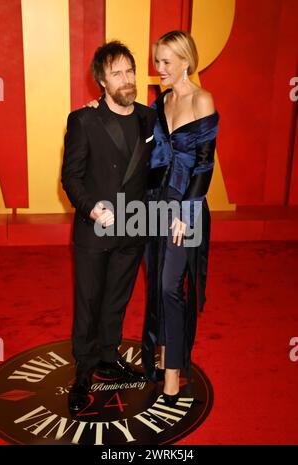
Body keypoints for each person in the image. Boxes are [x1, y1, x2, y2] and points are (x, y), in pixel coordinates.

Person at [61, 41, 156, 411]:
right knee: (88, 302)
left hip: (133, 229)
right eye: (117, 73)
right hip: (96, 229)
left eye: (130, 70)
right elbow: (71, 178)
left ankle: (107, 357)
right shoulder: (83, 119)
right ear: (101, 81)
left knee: (116, 300)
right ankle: (83, 373)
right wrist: (92, 210)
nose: (127, 78)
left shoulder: (149, 118)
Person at [141, 30, 219, 406]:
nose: (159, 69)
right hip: (155, 202)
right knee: (156, 282)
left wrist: (187, 213)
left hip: (186, 206)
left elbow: (205, 164)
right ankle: (162, 350)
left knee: (172, 285)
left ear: (186, 61)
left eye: (166, 62)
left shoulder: (202, 99)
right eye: (157, 62)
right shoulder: (162, 101)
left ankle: (173, 369)